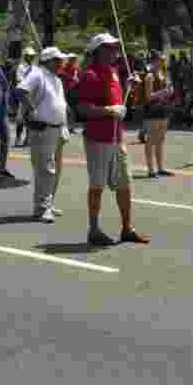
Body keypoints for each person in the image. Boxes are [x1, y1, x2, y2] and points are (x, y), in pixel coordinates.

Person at [75, 32, 149, 247]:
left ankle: (127, 228)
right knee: (97, 186)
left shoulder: (115, 72)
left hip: (117, 138)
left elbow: (122, 101)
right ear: (98, 51)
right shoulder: (90, 75)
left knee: (124, 184)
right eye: (109, 48)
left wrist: (130, 87)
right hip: (98, 139)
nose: (115, 51)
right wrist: (109, 110)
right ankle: (94, 229)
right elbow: (83, 108)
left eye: (116, 47)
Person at [15, 45, 70, 222]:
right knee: (45, 169)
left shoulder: (56, 79)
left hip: (56, 128)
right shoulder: (38, 73)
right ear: (49, 61)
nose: (62, 63)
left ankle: (48, 203)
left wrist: (64, 125)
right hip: (43, 128)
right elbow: (21, 90)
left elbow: (60, 104)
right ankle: (41, 207)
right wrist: (32, 111)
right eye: (58, 60)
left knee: (51, 169)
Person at [142, 51, 175, 176]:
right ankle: (151, 169)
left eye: (163, 60)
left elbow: (170, 90)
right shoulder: (150, 76)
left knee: (161, 139)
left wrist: (170, 91)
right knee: (151, 139)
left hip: (163, 109)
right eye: (161, 60)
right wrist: (163, 92)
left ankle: (161, 167)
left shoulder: (164, 74)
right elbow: (148, 96)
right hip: (152, 110)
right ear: (154, 61)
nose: (163, 62)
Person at [13, 47, 36, 146]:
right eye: (29, 56)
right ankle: (18, 138)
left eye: (32, 56)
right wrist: (29, 72)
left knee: (31, 117)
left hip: (33, 95)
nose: (31, 58)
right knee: (20, 118)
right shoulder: (21, 67)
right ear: (25, 56)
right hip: (24, 94)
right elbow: (19, 80)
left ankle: (28, 138)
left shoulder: (35, 67)